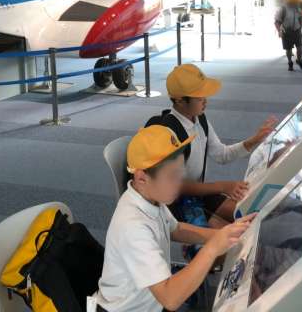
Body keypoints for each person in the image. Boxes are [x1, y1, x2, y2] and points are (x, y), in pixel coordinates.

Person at [95, 125, 255, 312]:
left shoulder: (150, 197)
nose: (179, 183)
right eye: (172, 176)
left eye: (180, 173)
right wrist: (212, 248)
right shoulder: (132, 227)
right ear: (141, 178)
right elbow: (170, 299)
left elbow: (176, 229)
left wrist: (225, 234)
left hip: (152, 301)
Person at [160, 64, 276, 224]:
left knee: (247, 214)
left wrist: (255, 139)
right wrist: (222, 186)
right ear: (180, 100)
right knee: (230, 231)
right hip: (174, 202)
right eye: (199, 98)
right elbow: (175, 186)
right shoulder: (168, 131)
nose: (205, 102)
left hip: (198, 193)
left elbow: (222, 154)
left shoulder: (199, 119)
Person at [275, 0, 302, 71]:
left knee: (300, 47)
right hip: (287, 31)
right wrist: (279, 31)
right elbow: (277, 21)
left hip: (296, 30)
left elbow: (301, 16)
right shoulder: (283, 8)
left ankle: (299, 60)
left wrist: (300, 28)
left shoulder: (297, 6)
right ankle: (290, 62)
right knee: (288, 50)